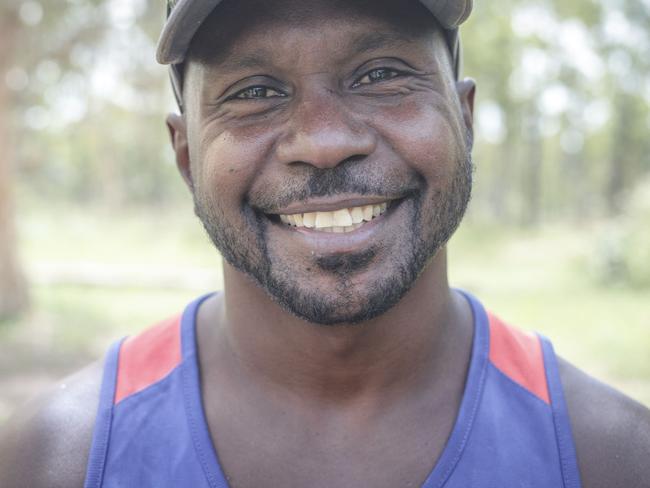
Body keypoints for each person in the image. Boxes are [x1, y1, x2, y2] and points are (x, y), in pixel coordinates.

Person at [1, 0, 649, 486]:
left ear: (465, 118)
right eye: (255, 92)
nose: (324, 140)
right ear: (186, 154)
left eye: (381, 74)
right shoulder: (58, 460)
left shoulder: (611, 458)